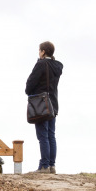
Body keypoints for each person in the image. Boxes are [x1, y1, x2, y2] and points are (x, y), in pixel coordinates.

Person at [26, 41, 63, 174]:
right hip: (53, 103)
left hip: (41, 104)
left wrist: (28, 91)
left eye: (39, 50)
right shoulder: (57, 66)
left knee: (42, 136)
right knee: (51, 135)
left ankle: (44, 166)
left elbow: (30, 83)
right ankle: (52, 166)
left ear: (43, 51)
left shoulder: (41, 64)